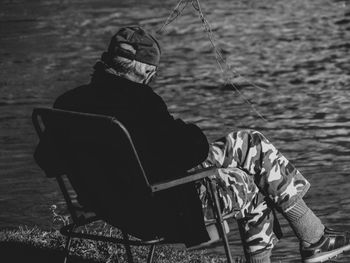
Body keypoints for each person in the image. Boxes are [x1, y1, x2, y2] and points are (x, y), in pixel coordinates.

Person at [49, 26, 350, 262]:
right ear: (144, 70)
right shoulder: (140, 102)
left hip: (112, 205)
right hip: (159, 210)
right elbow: (192, 150)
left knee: (248, 141)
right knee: (253, 181)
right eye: (152, 72)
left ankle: (315, 236)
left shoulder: (66, 103)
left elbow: (48, 161)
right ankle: (312, 238)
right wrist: (181, 128)